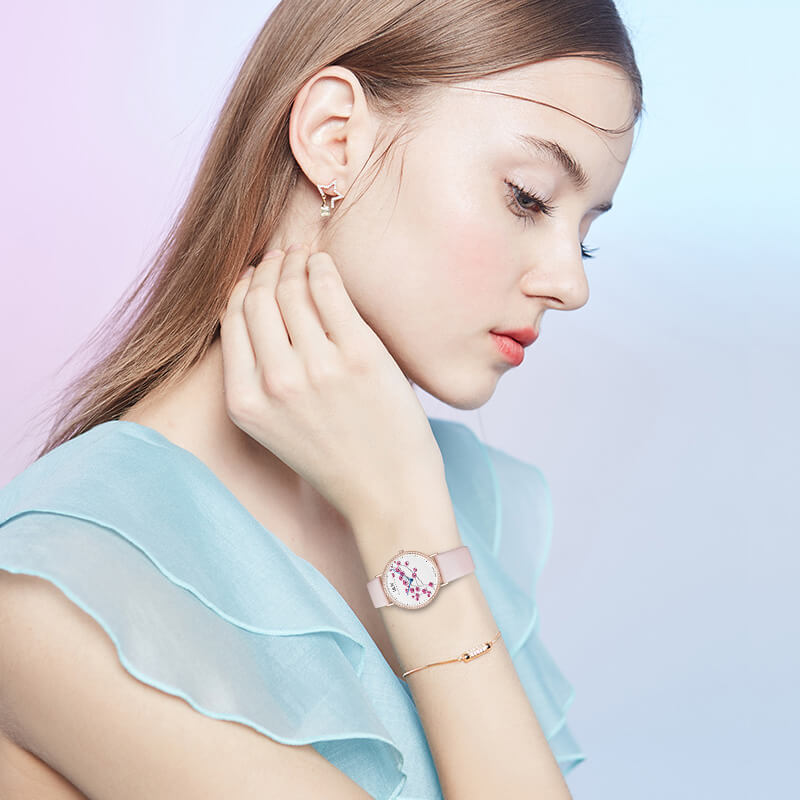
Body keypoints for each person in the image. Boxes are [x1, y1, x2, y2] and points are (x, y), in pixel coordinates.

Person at [0, 0, 643, 797]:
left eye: (585, 234)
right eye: (528, 197)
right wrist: (404, 521)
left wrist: (405, 511)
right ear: (335, 137)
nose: (571, 283)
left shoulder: (464, 503)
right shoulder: (56, 591)